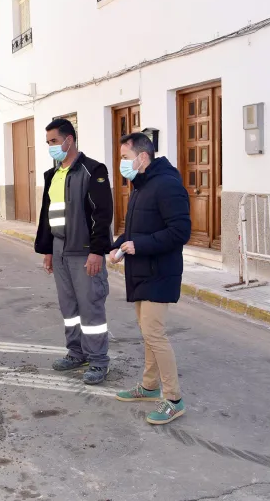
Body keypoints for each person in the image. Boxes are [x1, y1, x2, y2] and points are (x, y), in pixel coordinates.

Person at [110, 132, 191, 425]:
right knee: (147, 332)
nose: (121, 163)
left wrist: (139, 246)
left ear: (143, 157)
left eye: (124, 157)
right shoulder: (141, 185)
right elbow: (136, 228)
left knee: (155, 334)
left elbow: (180, 232)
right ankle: (148, 386)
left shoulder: (167, 185)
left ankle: (173, 399)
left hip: (160, 271)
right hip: (142, 270)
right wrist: (119, 244)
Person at [35, 118, 114, 385]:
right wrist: (47, 250)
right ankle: (76, 352)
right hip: (59, 249)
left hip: (84, 250)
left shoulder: (93, 171)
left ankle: (99, 361)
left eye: (54, 141)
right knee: (68, 306)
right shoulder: (53, 174)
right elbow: (48, 216)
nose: (51, 147)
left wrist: (97, 251)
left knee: (90, 306)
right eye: (48, 143)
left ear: (69, 140)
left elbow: (103, 215)